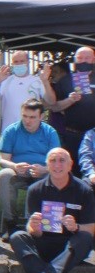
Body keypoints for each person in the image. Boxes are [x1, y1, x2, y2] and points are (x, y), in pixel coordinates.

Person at [10, 148, 95, 273]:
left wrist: (76, 227)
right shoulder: (35, 189)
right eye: (52, 161)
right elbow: (31, 230)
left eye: (62, 160)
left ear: (70, 165)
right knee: (17, 236)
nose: (57, 165)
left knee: (85, 238)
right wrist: (34, 228)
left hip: (70, 247)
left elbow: (91, 229)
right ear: (47, 165)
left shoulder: (84, 190)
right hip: (44, 242)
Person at [0, 99, 61, 241]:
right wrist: (14, 166)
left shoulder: (50, 133)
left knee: (54, 178)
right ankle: (11, 225)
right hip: (18, 170)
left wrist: (44, 169)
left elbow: (57, 162)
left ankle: (39, 226)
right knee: (3, 176)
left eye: (32, 117)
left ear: (41, 117)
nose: (27, 121)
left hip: (43, 171)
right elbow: (3, 160)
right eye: (24, 116)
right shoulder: (11, 130)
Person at [42, 47, 95, 176]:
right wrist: (69, 100)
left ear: (93, 59)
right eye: (80, 58)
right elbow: (54, 107)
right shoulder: (65, 81)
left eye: (87, 58)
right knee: (72, 172)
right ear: (75, 60)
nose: (83, 61)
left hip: (93, 136)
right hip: (72, 135)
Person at [0, 50, 49, 133]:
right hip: (9, 132)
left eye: (22, 61)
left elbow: (51, 101)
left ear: (28, 62)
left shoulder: (37, 80)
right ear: (12, 64)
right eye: (16, 62)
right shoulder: (5, 81)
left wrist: (46, 82)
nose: (19, 64)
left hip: (32, 131)